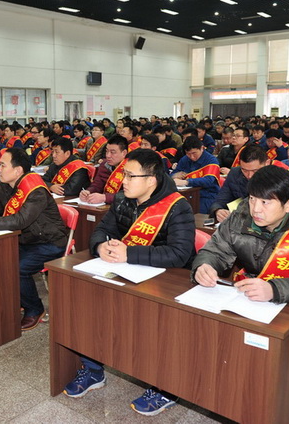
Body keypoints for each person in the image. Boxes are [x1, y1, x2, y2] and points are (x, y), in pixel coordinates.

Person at [63, 149, 195, 416]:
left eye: (131, 176)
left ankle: (165, 387)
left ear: (151, 180)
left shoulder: (177, 206)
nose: (123, 181)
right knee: (88, 304)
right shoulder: (123, 200)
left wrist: (129, 254)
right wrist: (100, 247)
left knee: (156, 328)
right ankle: (93, 369)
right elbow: (101, 230)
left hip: (167, 281)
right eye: (124, 174)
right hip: (129, 274)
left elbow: (179, 254)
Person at [193, 165, 289, 371]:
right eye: (252, 198)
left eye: (265, 202)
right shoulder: (240, 216)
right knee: (208, 345)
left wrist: (274, 289)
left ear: (288, 205)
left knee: (282, 372)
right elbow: (216, 250)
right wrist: (204, 265)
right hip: (248, 299)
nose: (255, 209)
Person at [0, 148, 67, 330]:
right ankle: (13, 300)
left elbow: (20, 220)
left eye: (3, 165)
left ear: (18, 170)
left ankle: (35, 310)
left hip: (49, 242)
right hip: (24, 239)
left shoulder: (36, 190)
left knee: (17, 267)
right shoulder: (3, 184)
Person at [209, 145, 268, 222]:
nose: (249, 176)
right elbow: (220, 200)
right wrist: (218, 210)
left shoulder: (276, 178)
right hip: (239, 221)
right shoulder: (235, 174)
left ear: (266, 163)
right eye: (245, 170)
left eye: (255, 171)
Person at [171, 136, 221, 214]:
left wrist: (186, 182)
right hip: (186, 194)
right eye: (188, 154)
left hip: (207, 195)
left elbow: (208, 180)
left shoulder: (211, 160)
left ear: (202, 148)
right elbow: (172, 175)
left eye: (194, 153)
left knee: (192, 212)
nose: (192, 157)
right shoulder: (185, 159)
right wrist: (174, 176)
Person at [79, 135, 128, 205]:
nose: (108, 155)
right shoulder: (104, 165)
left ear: (124, 153)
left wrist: (105, 197)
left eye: (112, 152)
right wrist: (88, 192)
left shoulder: (131, 169)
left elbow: (129, 194)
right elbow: (97, 185)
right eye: (107, 151)